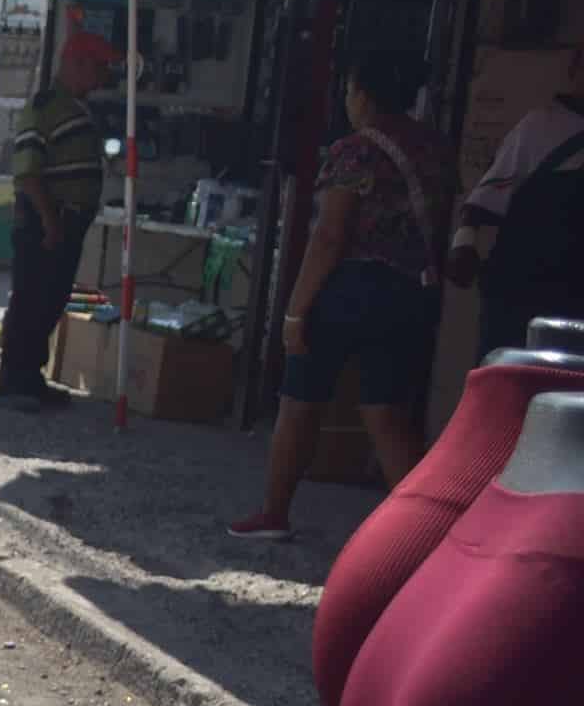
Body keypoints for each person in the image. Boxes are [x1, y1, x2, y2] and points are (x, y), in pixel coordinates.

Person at [228, 48, 454, 540]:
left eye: (349, 89)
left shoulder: (355, 151)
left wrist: (295, 310)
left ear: (364, 95)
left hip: (348, 289)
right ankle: (423, 537)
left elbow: (330, 235)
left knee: (301, 400)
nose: (347, 99)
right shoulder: (434, 149)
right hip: (408, 293)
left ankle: (274, 512)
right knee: (389, 416)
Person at [0, 31, 120, 411]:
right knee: (32, 299)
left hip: (64, 221)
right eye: (99, 68)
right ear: (77, 64)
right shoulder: (46, 106)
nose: (102, 77)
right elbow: (28, 172)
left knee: (51, 300)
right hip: (45, 221)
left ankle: (31, 377)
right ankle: (16, 383)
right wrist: (50, 222)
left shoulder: (75, 107)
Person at [445, 41, 584, 357]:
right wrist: (464, 244)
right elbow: (482, 203)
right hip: (519, 291)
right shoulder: (539, 127)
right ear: (574, 70)